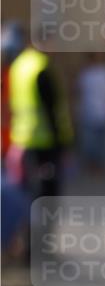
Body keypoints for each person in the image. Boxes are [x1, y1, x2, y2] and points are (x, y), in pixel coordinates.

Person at [6, 23, 72, 200]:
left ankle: (27, 226)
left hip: (22, 137)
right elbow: (51, 107)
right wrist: (62, 143)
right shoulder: (41, 67)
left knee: (27, 189)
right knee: (47, 190)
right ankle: (43, 226)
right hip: (45, 141)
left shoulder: (19, 65)